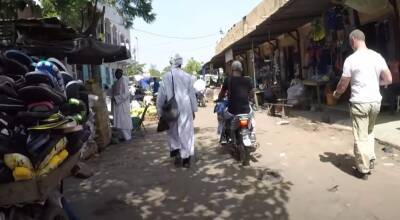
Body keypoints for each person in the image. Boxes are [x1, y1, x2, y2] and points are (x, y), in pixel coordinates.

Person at [333, 29, 392, 180]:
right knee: (369, 132)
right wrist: (377, 83)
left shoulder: (351, 60)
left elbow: (343, 83)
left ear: (353, 41)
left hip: (360, 102)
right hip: (375, 102)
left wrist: (337, 94)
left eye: (350, 42)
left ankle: (363, 170)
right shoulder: (377, 56)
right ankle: (370, 160)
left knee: (360, 136)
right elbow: (389, 79)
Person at [156, 54, 198, 168]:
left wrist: (159, 110)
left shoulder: (166, 77)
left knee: (173, 131)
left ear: (171, 63)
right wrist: (194, 109)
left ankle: (177, 152)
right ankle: (186, 158)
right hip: (186, 107)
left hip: (171, 107)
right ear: (181, 63)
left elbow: (161, 96)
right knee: (186, 132)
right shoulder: (188, 77)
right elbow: (192, 95)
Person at [217, 61, 254, 150]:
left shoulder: (228, 80)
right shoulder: (247, 79)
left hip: (233, 111)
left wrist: (219, 99)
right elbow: (252, 94)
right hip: (246, 111)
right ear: (241, 69)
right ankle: (252, 135)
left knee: (222, 117)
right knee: (252, 118)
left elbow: (222, 93)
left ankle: (224, 137)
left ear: (232, 69)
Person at [111, 69, 133, 141]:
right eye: (115, 74)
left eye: (116, 73)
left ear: (120, 74)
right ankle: (122, 136)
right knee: (119, 122)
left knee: (123, 122)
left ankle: (127, 137)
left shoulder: (123, 81)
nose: (115, 75)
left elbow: (126, 94)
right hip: (118, 105)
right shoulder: (118, 81)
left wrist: (116, 98)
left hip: (122, 105)